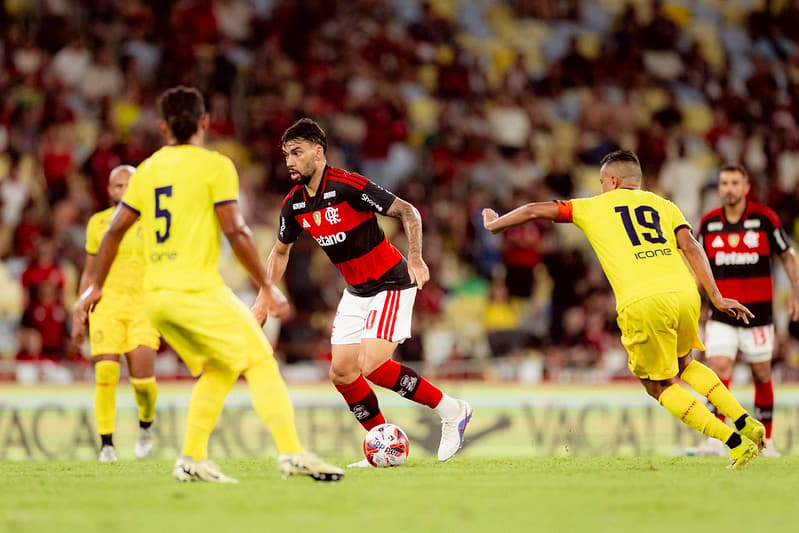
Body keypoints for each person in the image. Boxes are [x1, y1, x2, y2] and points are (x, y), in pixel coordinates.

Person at [73, 86, 342, 483]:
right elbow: (235, 229)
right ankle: (292, 453)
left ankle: (192, 458)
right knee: (260, 357)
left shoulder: (146, 170)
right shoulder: (215, 166)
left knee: (222, 365)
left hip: (156, 300)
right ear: (204, 123)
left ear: (164, 127)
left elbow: (112, 232)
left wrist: (94, 286)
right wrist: (267, 285)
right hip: (195, 290)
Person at [482, 150, 765, 469]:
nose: (601, 187)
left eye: (602, 182)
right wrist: (716, 295)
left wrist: (496, 224)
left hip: (642, 301)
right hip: (685, 292)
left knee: (658, 385)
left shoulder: (591, 206)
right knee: (684, 362)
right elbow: (691, 246)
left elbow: (535, 210)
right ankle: (746, 421)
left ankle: (734, 442)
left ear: (613, 181)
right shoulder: (664, 205)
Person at [253, 118, 472, 467]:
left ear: (318, 152)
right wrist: (263, 300)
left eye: (297, 153)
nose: (289, 162)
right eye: (286, 155)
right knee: (341, 372)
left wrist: (415, 257)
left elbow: (408, 211)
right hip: (356, 292)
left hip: (391, 283)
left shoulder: (347, 186)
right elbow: (280, 252)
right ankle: (382, 445)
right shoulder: (294, 205)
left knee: (371, 364)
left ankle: (452, 410)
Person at [693, 164, 799, 457]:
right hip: (722, 315)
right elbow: (699, 268)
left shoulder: (765, 220)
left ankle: (767, 440)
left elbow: (788, 257)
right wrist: (695, 304)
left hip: (758, 316)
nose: (729, 188)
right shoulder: (708, 224)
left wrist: (796, 294)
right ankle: (717, 437)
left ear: (746, 187)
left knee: (761, 374)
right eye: (724, 182)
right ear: (719, 188)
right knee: (718, 369)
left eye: (734, 183)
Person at [73, 165, 160, 463]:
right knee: (106, 373)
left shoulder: (153, 222)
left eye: (130, 185)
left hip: (142, 307)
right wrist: (80, 308)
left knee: (143, 384)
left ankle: (146, 426)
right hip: (106, 306)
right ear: (110, 190)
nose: (124, 190)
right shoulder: (98, 224)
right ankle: (106, 445)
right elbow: (89, 272)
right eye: (119, 185)